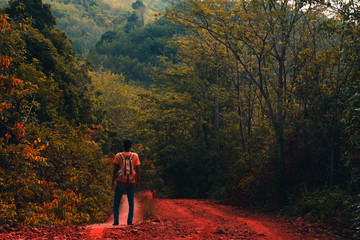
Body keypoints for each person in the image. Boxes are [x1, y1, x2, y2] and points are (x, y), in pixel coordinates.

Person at [112, 139, 140, 225]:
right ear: (131, 146)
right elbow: (137, 170)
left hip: (120, 181)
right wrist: (137, 181)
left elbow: (116, 169)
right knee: (131, 202)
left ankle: (116, 221)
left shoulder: (118, 155)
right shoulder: (135, 156)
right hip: (131, 181)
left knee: (116, 201)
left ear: (123, 146)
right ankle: (129, 221)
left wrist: (112, 180)